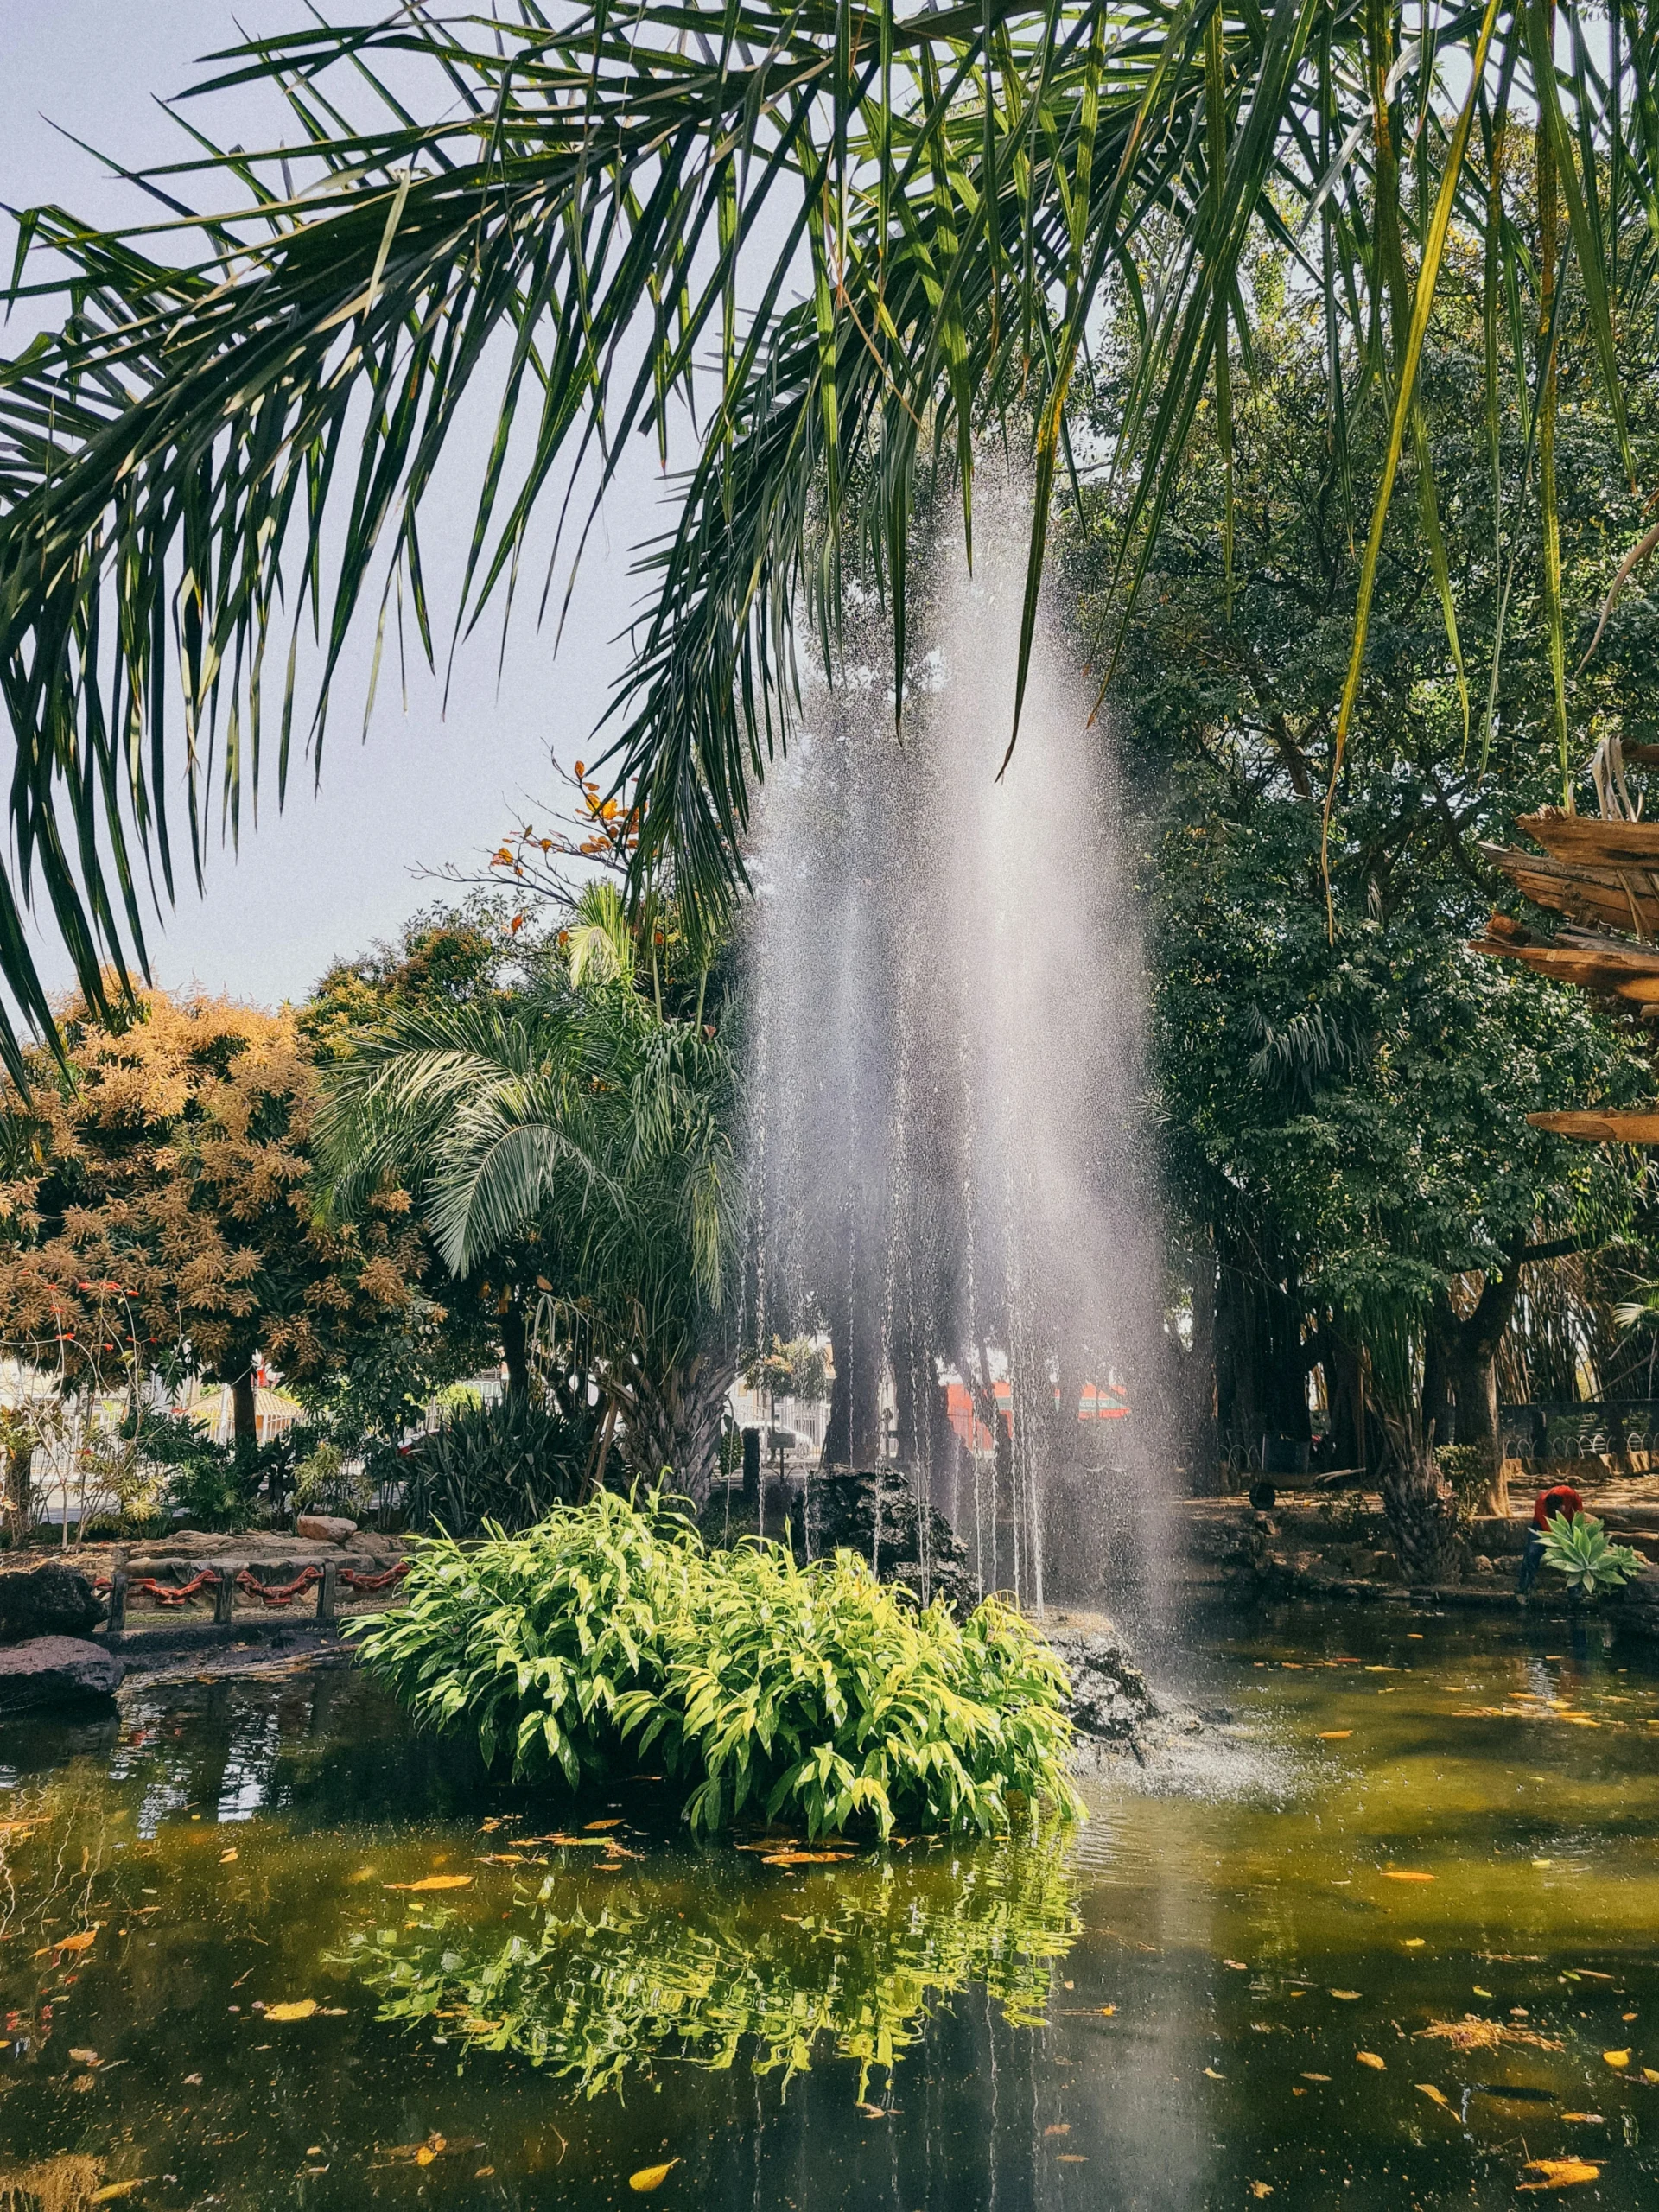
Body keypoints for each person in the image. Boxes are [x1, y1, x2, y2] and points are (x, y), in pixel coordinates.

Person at [1516, 1482, 1584, 1593]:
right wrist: (1561, 1541)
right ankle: (1524, 1585)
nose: (1557, 1512)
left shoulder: (1569, 1492)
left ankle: (1575, 1591)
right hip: (1542, 1527)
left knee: (1575, 1555)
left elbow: (1579, 1505)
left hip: (1568, 1523)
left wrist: (1578, 1522)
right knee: (1532, 1553)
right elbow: (1547, 1527)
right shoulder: (1540, 1504)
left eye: (1559, 1510)